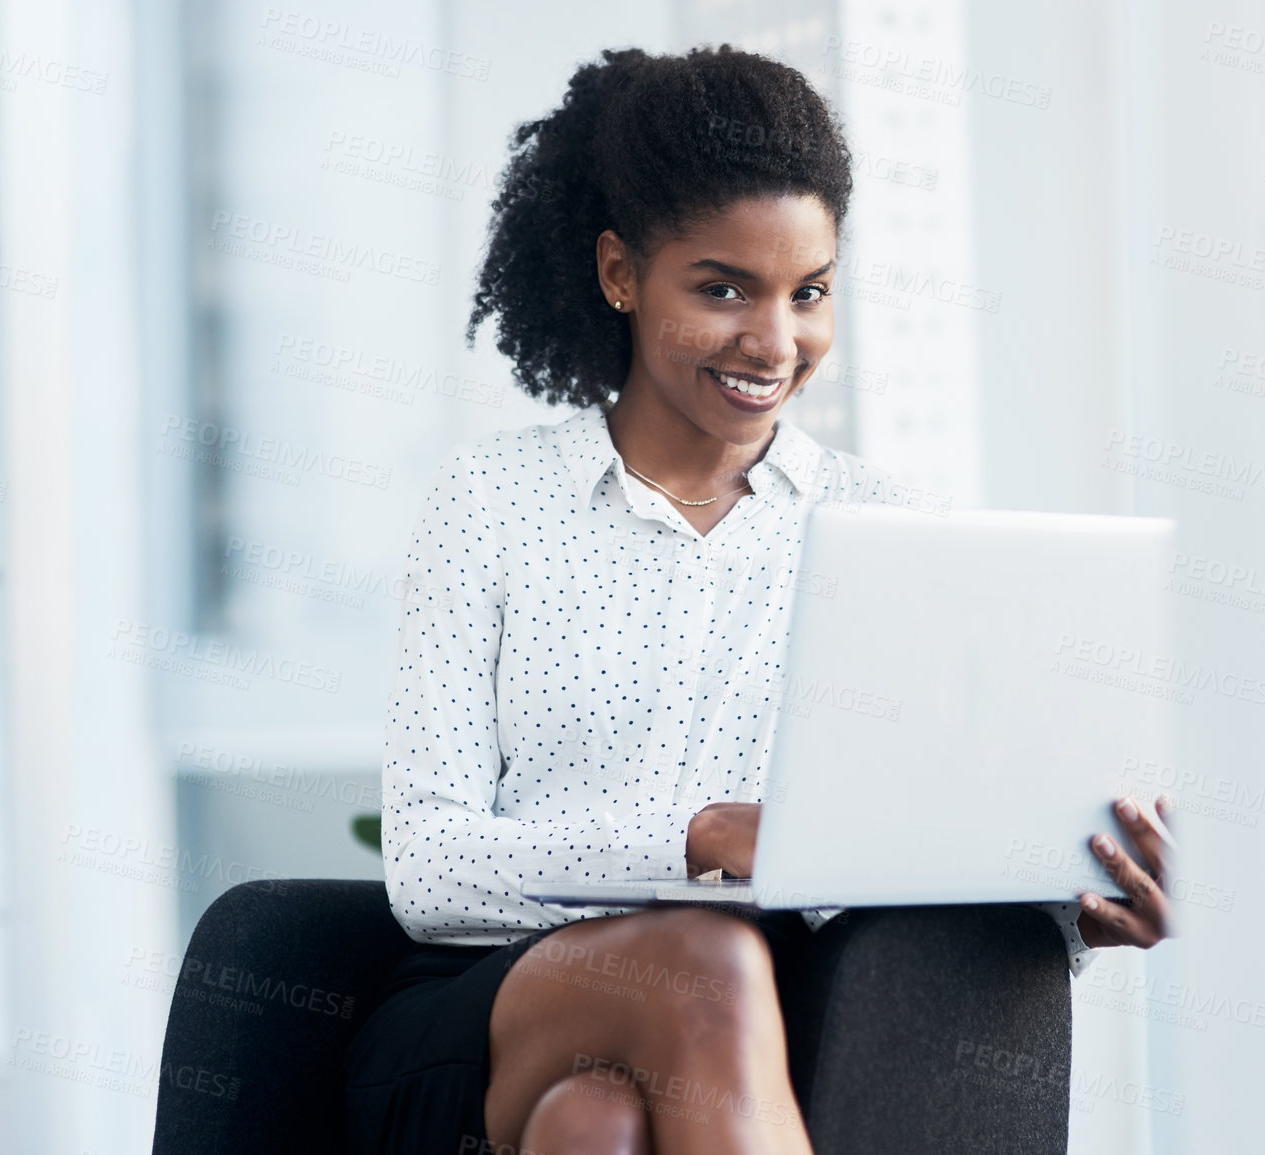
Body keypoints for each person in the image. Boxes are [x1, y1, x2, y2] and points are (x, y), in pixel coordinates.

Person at [345, 45, 1175, 1155]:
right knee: (702, 957)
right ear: (620, 273)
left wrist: (1072, 906)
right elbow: (433, 868)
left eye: (809, 292)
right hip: (490, 1009)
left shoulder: (885, 533)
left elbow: (908, 847)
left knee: (595, 1130)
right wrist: (693, 839)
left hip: (751, 1038)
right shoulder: (491, 502)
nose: (775, 342)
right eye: (722, 287)